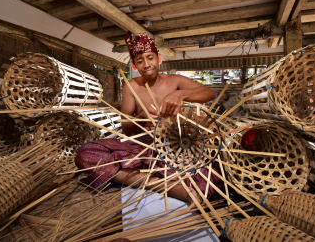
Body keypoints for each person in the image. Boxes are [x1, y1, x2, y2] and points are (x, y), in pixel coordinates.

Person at [75, 32, 223, 203]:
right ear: (134, 65)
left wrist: (181, 95)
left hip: (177, 146)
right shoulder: (132, 86)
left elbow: (210, 93)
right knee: (86, 153)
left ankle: (138, 175)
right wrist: (141, 118)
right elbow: (126, 129)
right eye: (140, 61)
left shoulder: (175, 81)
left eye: (150, 58)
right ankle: (161, 184)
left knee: (211, 172)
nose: (146, 64)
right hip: (143, 146)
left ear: (159, 58)